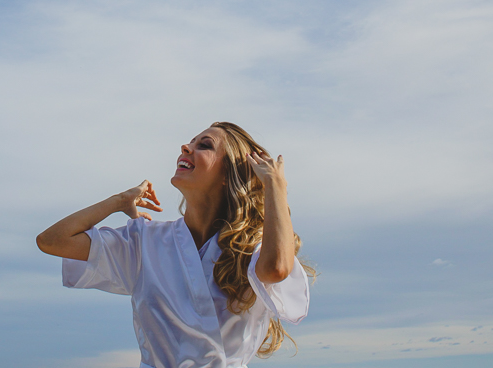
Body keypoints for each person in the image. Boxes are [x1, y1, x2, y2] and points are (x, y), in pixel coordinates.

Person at [36, 122, 314, 368]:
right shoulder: (144, 241)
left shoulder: (251, 245)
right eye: (189, 143)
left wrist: (275, 187)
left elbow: (277, 269)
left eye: (204, 145)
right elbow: (51, 241)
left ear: (229, 174)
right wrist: (119, 201)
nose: (186, 147)